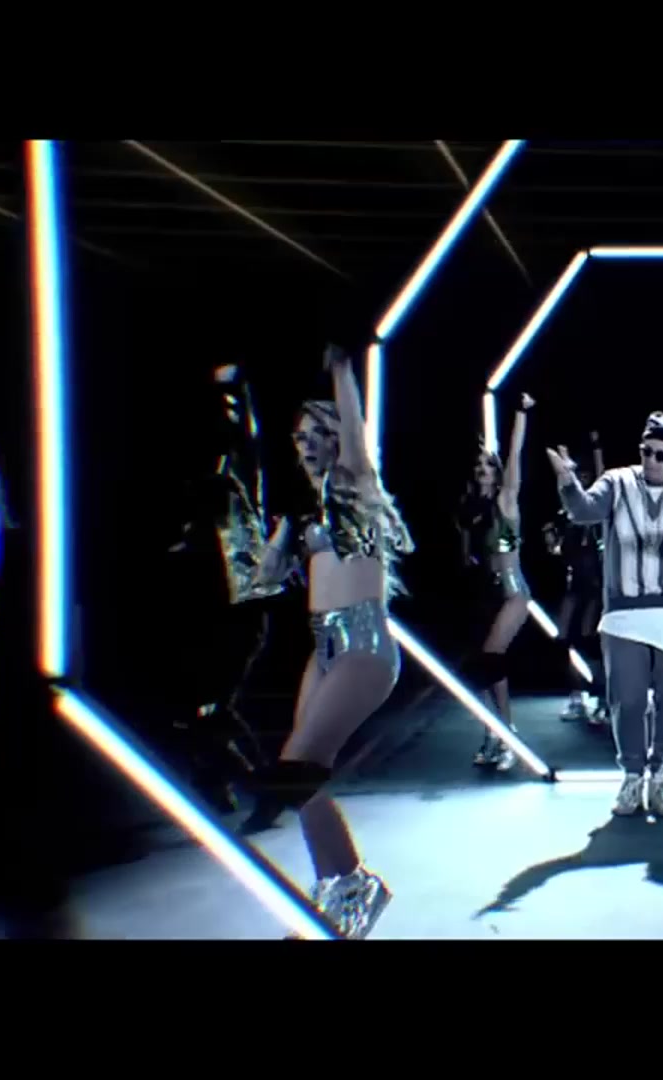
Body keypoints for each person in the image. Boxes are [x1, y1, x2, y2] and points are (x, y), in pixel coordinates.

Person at [241, 345, 412, 939]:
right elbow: (260, 581)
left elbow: (360, 450)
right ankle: (339, 888)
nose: (308, 444)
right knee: (303, 775)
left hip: (364, 645)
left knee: (296, 769)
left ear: (339, 438)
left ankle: (352, 887)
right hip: (324, 647)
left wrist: (342, 373)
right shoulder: (307, 512)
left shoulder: (353, 487)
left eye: (320, 433)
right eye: (301, 436)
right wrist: (281, 534)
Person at [547, 412, 663, 817]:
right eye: (646, 451)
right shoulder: (617, 482)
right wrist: (567, 480)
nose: (651, 459)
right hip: (623, 615)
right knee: (628, 700)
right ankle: (633, 776)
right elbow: (583, 511)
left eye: (660, 454)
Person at [163, 363, 286, 813]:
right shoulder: (217, 483)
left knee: (210, 702)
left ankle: (245, 781)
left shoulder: (233, 480)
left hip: (237, 593)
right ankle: (235, 780)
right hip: (220, 592)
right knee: (206, 702)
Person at [458, 393, 535, 771]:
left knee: (491, 659)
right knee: (480, 666)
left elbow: (515, 455)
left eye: (488, 465)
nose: (482, 470)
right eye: (478, 466)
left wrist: (520, 414)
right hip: (485, 594)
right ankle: (493, 732)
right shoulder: (472, 511)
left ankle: (507, 735)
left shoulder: (506, 500)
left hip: (513, 592)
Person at [542, 430, 608, 725]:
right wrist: (552, 541)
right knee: (565, 639)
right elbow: (555, 547)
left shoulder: (596, 510)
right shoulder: (564, 513)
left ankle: (603, 699)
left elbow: (602, 477)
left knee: (590, 639)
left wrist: (597, 447)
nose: (580, 480)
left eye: (584, 477)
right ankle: (577, 697)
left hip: (596, 585)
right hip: (573, 584)